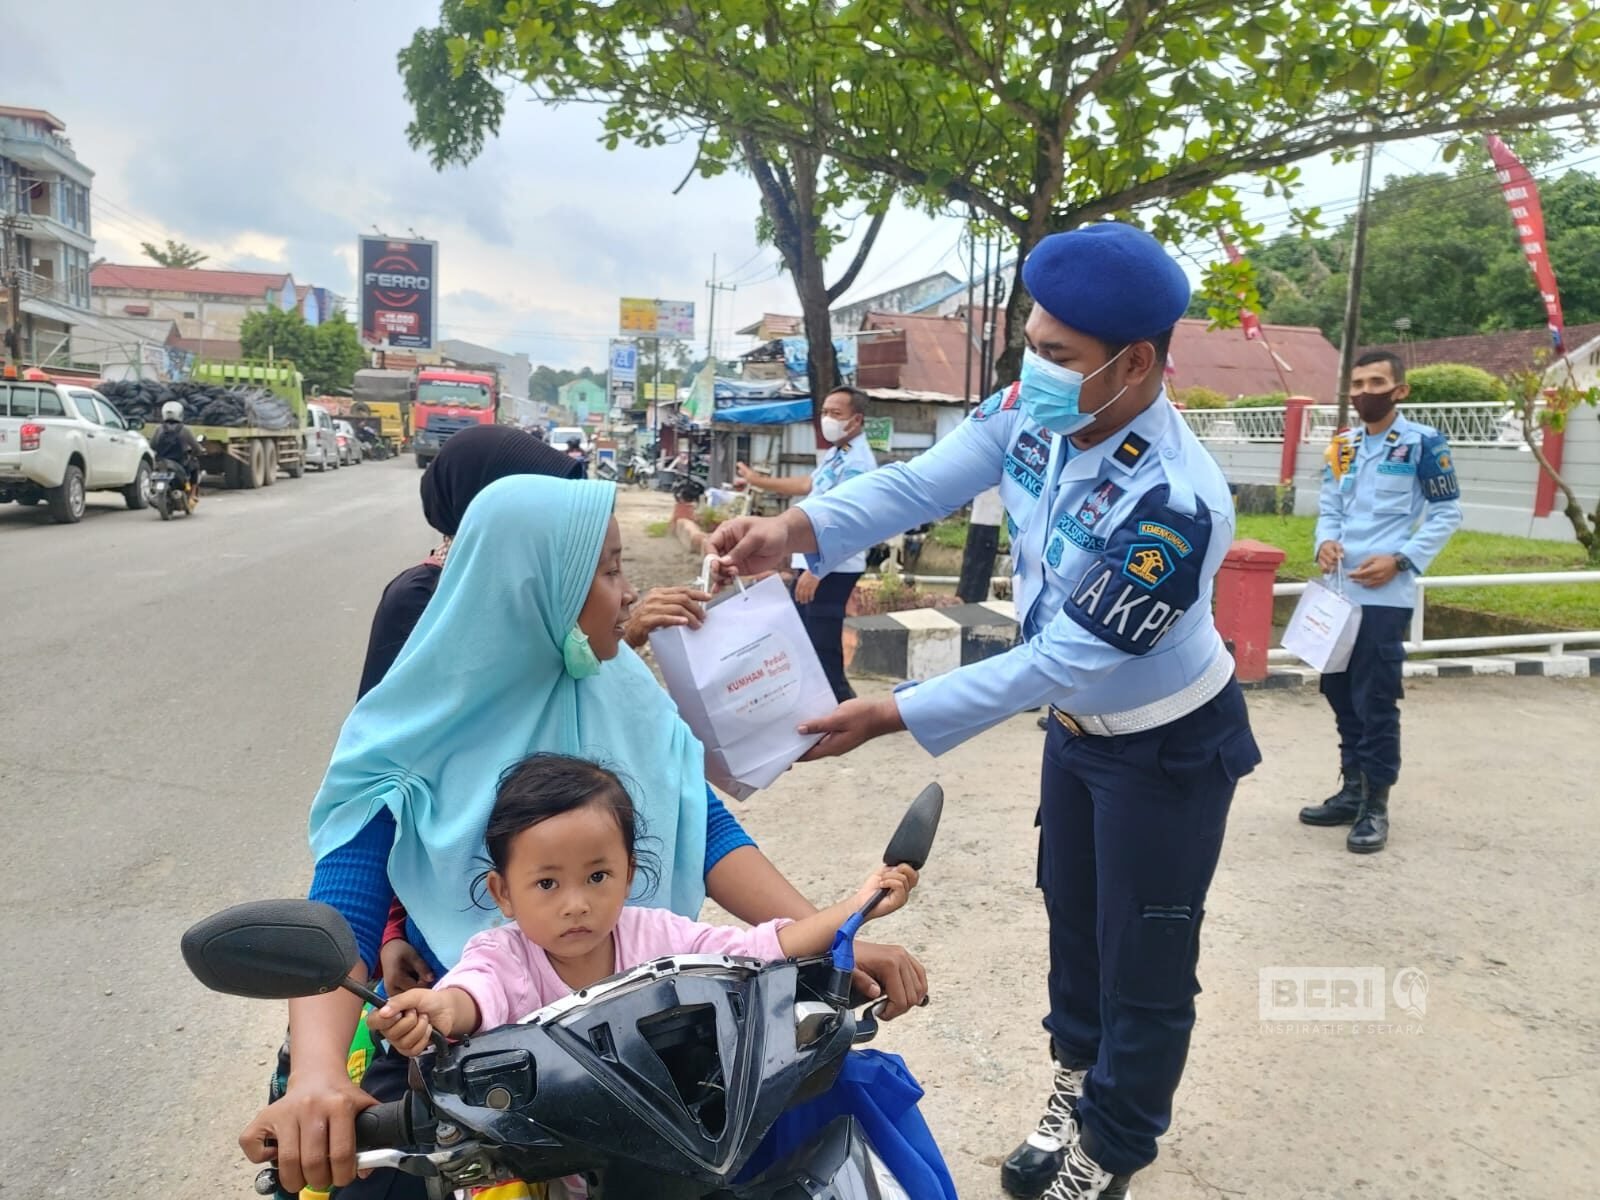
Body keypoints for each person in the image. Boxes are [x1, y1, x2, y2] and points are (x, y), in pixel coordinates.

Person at [710, 222, 1263, 1200]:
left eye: (1056, 355)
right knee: (1075, 926)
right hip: (1080, 740)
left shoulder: (1175, 505)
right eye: (1030, 346)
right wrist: (793, 529)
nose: (1032, 370)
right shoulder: (1032, 410)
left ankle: (1112, 1148)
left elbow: (1059, 660)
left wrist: (889, 714)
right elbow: (917, 484)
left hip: (1167, 750)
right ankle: (1074, 1087)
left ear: (1133, 364)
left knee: (1146, 956)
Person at [242, 475, 927, 1197]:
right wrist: (316, 1076)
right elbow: (345, 896)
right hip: (475, 1046)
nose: (628, 593)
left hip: (653, 1023)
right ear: (539, 585)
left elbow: (703, 828)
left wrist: (834, 936)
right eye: (606, 571)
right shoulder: (416, 720)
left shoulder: (623, 688)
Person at [1298, 351, 1462, 853]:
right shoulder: (1341, 446)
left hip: (1383, 596)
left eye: (1376, 382)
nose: (1364, 391)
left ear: (1400, 390)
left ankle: (1376, 805)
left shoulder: (1422, 444)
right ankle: (1350, 790)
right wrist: (1323, 542)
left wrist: (1402, 559)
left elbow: (1446, 511)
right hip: (1337, 592)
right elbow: (1331, 508)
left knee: (1375, 700)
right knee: (1338, 692)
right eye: (1357, 383)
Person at [737, 387, 879, 702]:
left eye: (835, 414)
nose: (827, 419)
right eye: (825, 412)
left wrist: (819, 569)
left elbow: (850, 522)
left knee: (821, 639)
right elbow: (807, 485)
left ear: (856, 420)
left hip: (833, 564)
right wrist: (757, 480)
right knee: (801, 636)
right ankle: (819, 704)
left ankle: (842, 705)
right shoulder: (837, 453)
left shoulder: (858, 463)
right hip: (814, 560)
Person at [150, 399, 203, 503]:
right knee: (195, 465)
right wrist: (197, 452)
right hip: (180, 464)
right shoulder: (184, 429)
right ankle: (192, 495)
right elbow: (196, 448)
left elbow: (152, 445)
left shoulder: (158, 429)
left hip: (162, 463)